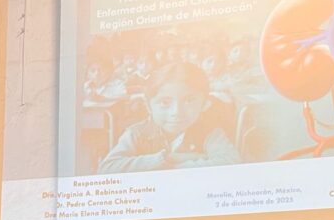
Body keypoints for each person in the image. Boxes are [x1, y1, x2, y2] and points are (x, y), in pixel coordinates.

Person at [97, 61, 241, 173]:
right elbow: (107, 169)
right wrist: (166, 158)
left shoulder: (210, 132)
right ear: (148, 106)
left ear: (204, 104)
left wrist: (171, 167)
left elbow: (231, 162)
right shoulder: (136, 133)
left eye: (189, 100)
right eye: (165, 102)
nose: (176, 112)